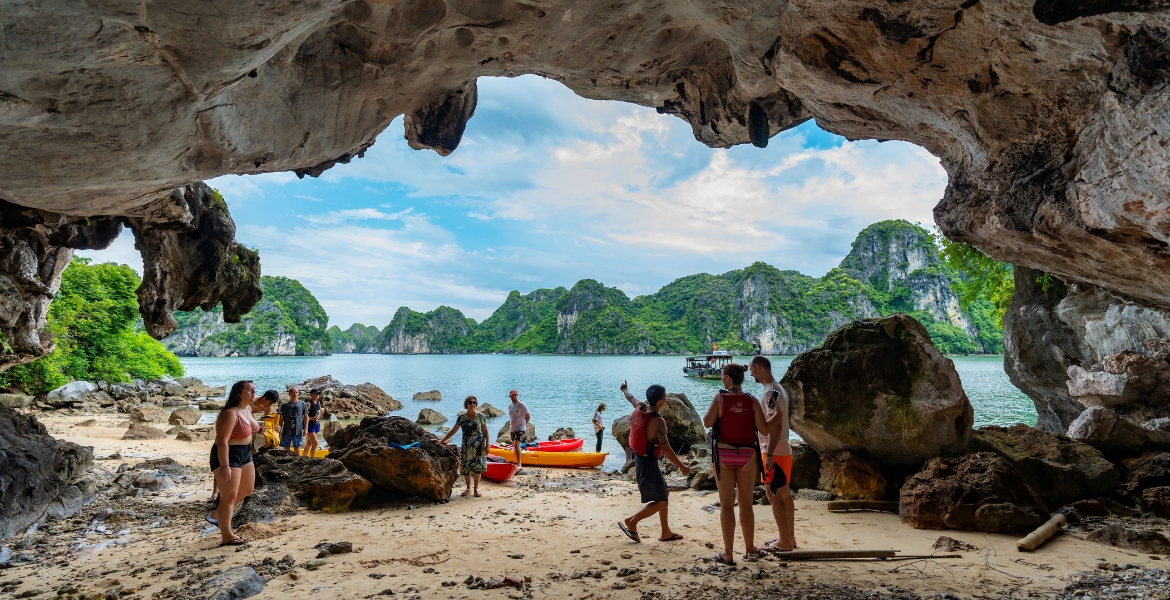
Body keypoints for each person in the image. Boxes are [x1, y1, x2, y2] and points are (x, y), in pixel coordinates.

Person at [702, 363, 783, 565]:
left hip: (723, 455)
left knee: (727, 506)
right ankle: (750, 548)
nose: (721, 378)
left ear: (729, 378)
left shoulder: (720, 399)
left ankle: (728, 554)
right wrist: (777, 416)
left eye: (722, 375)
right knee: (746, 506)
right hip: (747, 456)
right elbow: (764, 429)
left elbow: (706, 422)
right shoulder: (752, 400)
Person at [617, 381, 690, 543]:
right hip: (648, 463)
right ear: (660, 401)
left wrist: (625, 390)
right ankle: (632, 521)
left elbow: (630, 397)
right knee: (662, 500)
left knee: (666, 492)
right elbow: (666, 448)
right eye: (665, 396)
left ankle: (665, 532)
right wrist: (682, 466)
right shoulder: (658, 422)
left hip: (640, 459)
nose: (666, 399)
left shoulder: (640, 406)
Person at [751, 356, 795, 553]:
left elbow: (774, 424)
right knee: (784, 493)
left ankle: (784, 541)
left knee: (773, 493)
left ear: (759, 368)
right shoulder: (777, 389)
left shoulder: (771, 392)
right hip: (782, 448)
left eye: (752, 369)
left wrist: (768, 454)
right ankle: (789, 537)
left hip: (773, 449)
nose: (750, 373)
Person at [209, 380, 259, 546]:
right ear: (239, 393)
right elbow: (222, 441)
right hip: (228, 454)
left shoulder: (247, 409)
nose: (253, 392)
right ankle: (227, 535)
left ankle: (218, 514)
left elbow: (252, 428)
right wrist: (224, 465)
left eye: (254, 390)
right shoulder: (230, 414)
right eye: (249, 390)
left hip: (245, 452)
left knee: (248, 488)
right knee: (229, 497)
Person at [211, 389, 276, 504]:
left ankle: (231, 495)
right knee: (222, 463)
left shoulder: (266, 408)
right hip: (233, 434)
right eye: (269, 403)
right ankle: (215, 492)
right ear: (265, 398)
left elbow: (267, 423)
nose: (269, 406)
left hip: (247, 434)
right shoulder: (249, 403)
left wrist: (271, 430)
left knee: (241, 469)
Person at [439, 395, 490, 497]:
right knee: (466, 467)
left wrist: (487, 445)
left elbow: (485, 431)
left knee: (477, 467)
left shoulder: (481, 416)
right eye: (470, 402)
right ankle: (468, 489)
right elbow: (453, 430)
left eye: (474, 402)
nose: (472, 404)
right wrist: (442, 440)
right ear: (466, 404)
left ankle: (476, 489)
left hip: (478, 445)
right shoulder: (461, 417)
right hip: (466, 445)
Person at [278, 386, 307, 454]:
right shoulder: (284, 405)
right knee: (286, 448)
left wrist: (306, 429)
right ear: (289, 394)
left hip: (298, 430)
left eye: (296, 392)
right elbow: (281, 418)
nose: (295, 394)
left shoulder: (303, 404)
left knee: (297, 448)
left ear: (298, 393)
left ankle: (297, 462)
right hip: (286, 430)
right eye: (293, 392)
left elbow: (306, 416)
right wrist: (280, 429)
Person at [507, 389, 530, 468]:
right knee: (515, 446)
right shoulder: (510, 406)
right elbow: (512, 417)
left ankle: (519, 464)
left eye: (515, 395)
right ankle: (516, 460)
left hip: (521, 428)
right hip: (513, 429)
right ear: (510, 396)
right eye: (512, 395)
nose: (514, 396)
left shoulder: (521, 405)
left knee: (517, 445)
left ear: (517, 395)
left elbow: (527, 415)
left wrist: (526, 425)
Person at [304, 388, 323, 458]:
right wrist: (312, 418)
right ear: (311, 395)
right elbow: (303, 416)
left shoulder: (318, 402)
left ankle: (303, 456)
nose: (317, 395)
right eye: (316, 394)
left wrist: (319, 415)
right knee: (315, 443)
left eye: (318, 394)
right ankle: (312, 458)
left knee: (309, 443)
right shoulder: (309, 404)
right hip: (309, 425)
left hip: (316, 424)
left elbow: (319, 412)